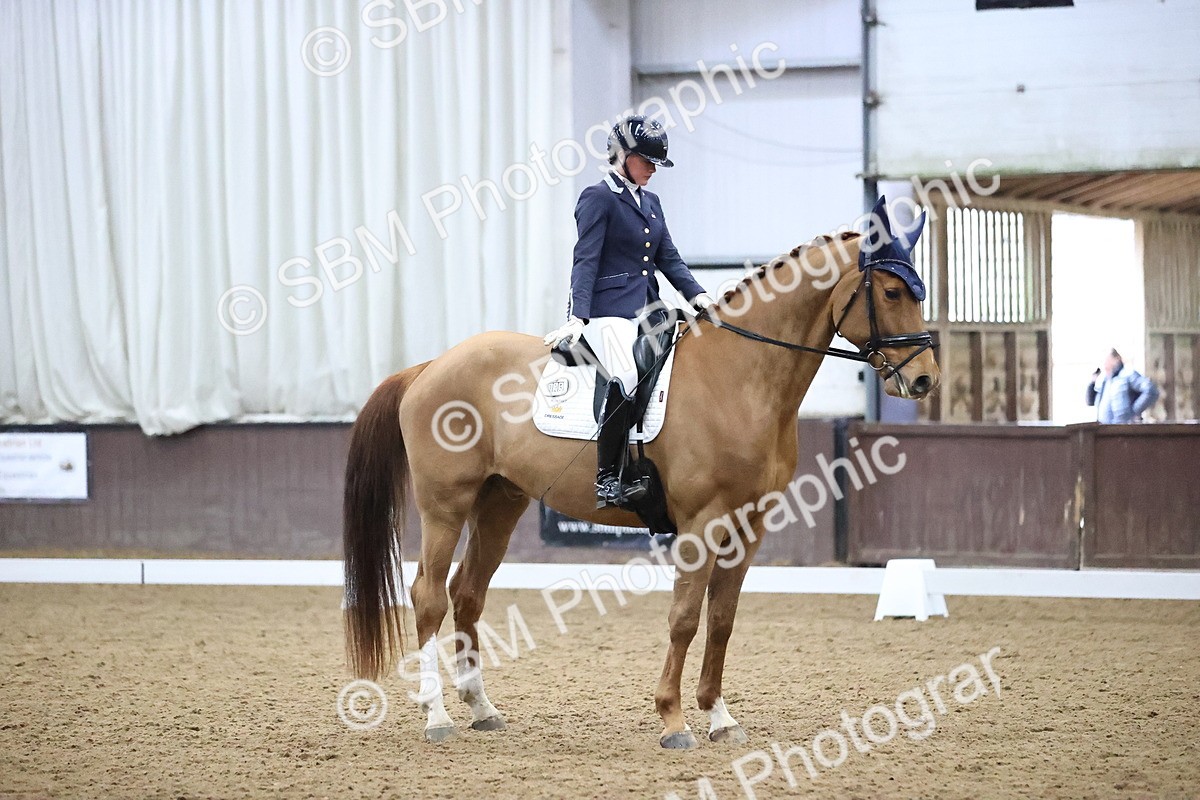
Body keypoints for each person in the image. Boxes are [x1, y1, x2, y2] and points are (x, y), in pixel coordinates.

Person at [543, 115, 715, 509]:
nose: (654, 170)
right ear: (622, 156)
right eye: (647, 161)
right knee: (625, 374)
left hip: (649, 307)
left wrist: (699, 296)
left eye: (656, 164)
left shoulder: (651, 202)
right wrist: (578, 316)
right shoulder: (597, 197)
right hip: (607, 311)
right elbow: (585, 260)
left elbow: (668, 258)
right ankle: (608, 478)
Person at [1086, 348, 1159, 423]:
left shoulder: (1128, 375)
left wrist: (1133, 412)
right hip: (1104, 430)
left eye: (1107, 360)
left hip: (1122, 430)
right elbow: (1090, 401)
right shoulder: (1106, 381)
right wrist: (1092, 383)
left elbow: (1151, 391)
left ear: (1116, 359)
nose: (1104, 364)